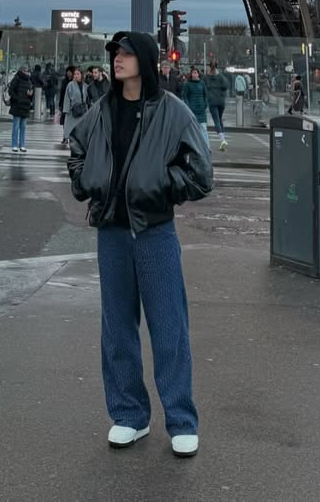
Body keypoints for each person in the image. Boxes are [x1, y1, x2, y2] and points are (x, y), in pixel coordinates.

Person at [68, 32, 212, 458]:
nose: (117, 59)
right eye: (115, 53)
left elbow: (202, 173)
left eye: (127, 53)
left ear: (145, 61)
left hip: (153, 230)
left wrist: (160, 186)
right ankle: (130, 414)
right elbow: (75, 150)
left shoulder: (173, 111)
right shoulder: (102, 109)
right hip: (111, 231)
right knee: (117, 330)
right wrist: (85, 180)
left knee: (169, 327)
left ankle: (181, 420)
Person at [6, 62, 34, 153]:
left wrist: (30, 95)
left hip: (25, 105)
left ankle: (22, 145)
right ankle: (14, 145)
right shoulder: (16, 79)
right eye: (26, 71)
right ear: (22, 71)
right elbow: (11, 90)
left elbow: (30, 93)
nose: (27, 72)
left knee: (23, 127)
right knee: (16, 126)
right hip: (17, 105)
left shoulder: (29, 80)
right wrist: (17, 99)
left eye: (27, 71)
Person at [181, 66, 210, 150]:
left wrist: (205, 104)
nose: (194, 74)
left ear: (198, 74)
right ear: (191, 74)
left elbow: (205, 94)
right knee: (193, 130)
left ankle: (206, 148)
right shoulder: (188, 84)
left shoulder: (202, 83)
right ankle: (194, 147)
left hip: (201, 110)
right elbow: (184, 95)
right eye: (193, 72)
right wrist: (188, 106)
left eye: (196, 72)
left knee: (204, 129)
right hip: (192, 110)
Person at [204, 61, 228, 150]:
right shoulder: (221, 76)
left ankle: (222, 140)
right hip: (221, 101)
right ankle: (223, 139)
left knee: (216, 121)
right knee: (220, 120)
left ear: (209, 67)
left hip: (212, 101)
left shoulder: (206, 77)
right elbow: (226, 86)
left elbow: (203, 87)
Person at [61, 66, 87, 147]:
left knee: (81, 132)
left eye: (78, 74)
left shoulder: (85, 85)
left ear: (81, 75)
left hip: (83, 111)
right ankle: (73, 149)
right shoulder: (70, 85)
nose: (76, 75)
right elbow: (67, 98)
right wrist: (66, 111)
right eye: (75, 74)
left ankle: (80, 148)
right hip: (73, 111)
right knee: (71, 131)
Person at [56, 64, 75, 143]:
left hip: (72, 105)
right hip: (64, 103)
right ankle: (65, 137)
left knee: (71, 122)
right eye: (68, 72)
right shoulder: (64, 81)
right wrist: (60, 104)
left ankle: (71, 137)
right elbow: (62, 93)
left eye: (70, 72)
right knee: (64, 122)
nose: (68, 73)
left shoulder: (74, 81)